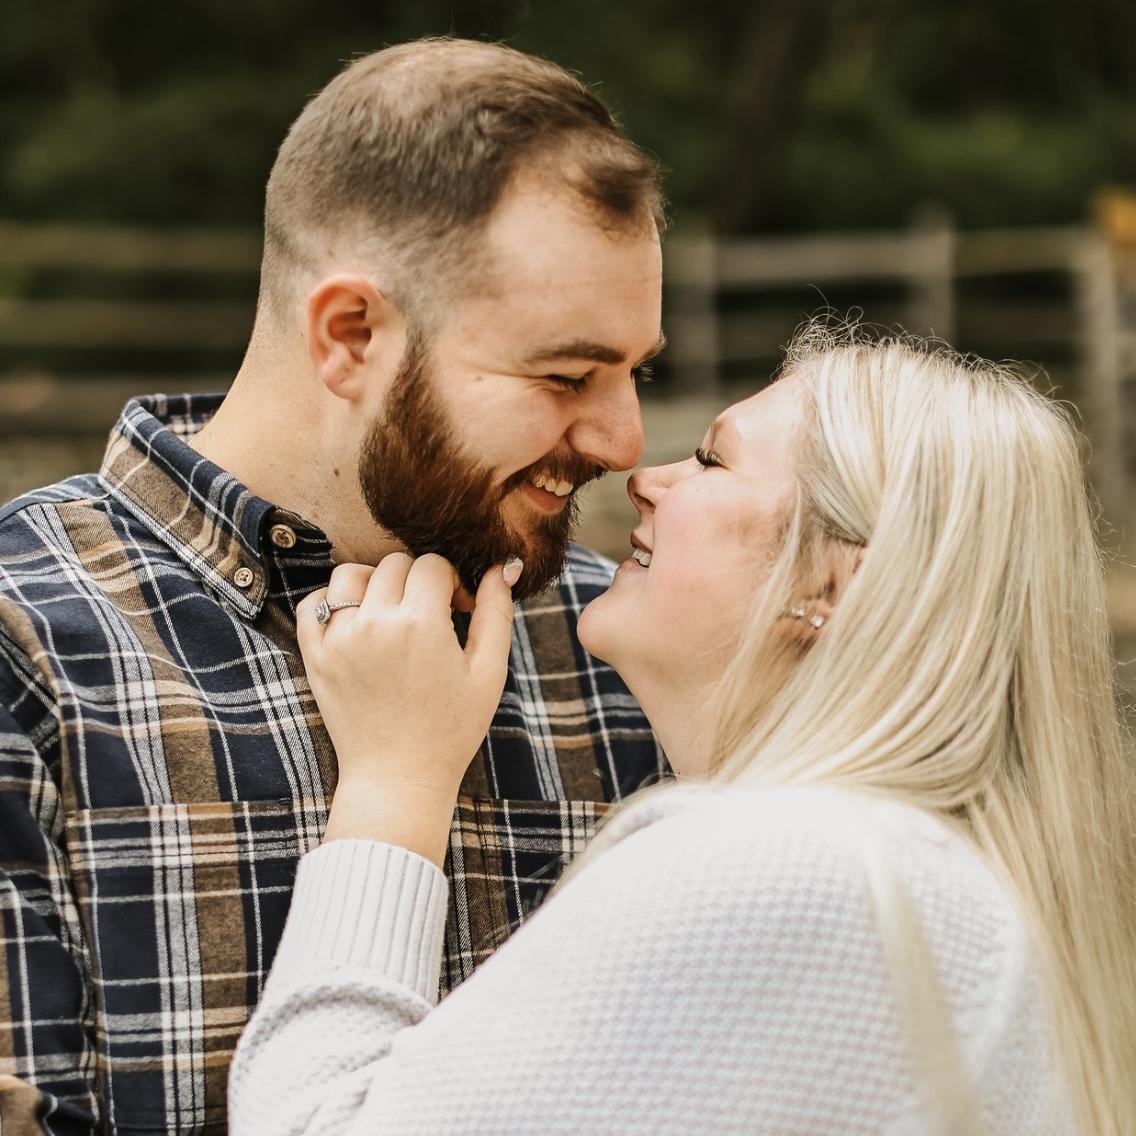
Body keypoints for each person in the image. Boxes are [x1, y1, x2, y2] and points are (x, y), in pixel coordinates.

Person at [229, 322, 1136, 1135]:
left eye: (710, 461)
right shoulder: (949, 872)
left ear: (832, 582)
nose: (644, 477)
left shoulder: (789, 869)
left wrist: (394, 782)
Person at [0, 39, 669, 1131]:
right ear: (351, 335)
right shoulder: (24, 647)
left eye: (636, 370)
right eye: (566, 374)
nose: (622, 437)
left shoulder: (622, 644)